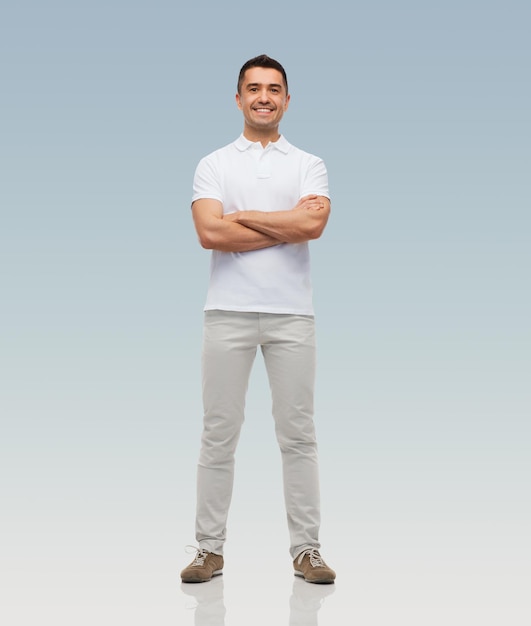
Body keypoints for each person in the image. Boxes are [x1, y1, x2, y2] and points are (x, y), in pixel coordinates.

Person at [181, 54, 335, 585]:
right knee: (218, 434)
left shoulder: (309, 164)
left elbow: (313, 227)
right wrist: (285, 222)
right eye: (254, 88)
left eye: (273, 88)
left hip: (294, 316)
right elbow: (210, 234)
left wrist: (241, 215)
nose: (264, 97)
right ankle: (208, 550)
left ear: (287, 100)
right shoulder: (214, 163)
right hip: (227, 314)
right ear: (239, 98)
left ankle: (307, 550)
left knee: (298, 435)